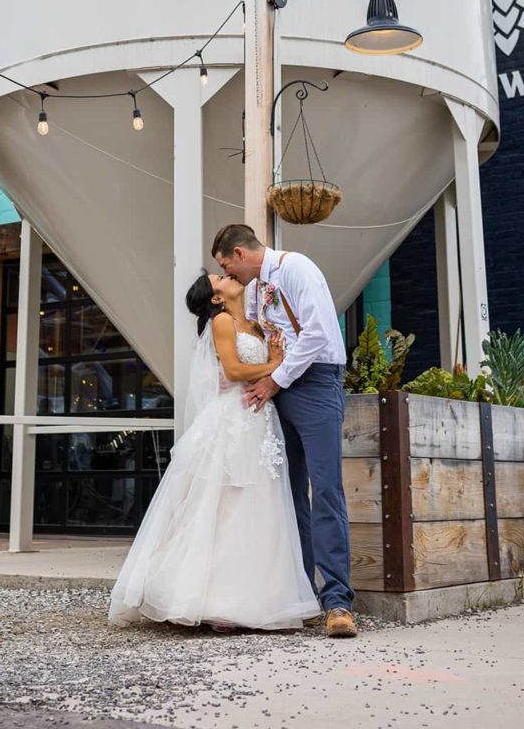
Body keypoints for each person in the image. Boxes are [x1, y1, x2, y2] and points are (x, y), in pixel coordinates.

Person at [108, 271, 320, 631]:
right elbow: (235, 370)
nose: (228, 276)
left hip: (260, 419)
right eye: (220, 276)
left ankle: (258, 598)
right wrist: (277, 366)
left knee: (262, 506)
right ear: (217, 297)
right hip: (232, 420)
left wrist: (275, 361)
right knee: (226, 504)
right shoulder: (222, 321)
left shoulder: (255, 323)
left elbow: (262, 366)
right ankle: (212, 599)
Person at [212, 223, 356, 638]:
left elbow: (318, 333)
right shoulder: (256, 289)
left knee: (325, 490)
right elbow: (266, 339)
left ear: (239, 253)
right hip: (277, 388)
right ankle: (303, 596)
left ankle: (338, 603)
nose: (228, 275)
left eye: (226, 265)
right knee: (288, 495)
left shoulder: (297, 269)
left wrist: (277, 379)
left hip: (313, 384)